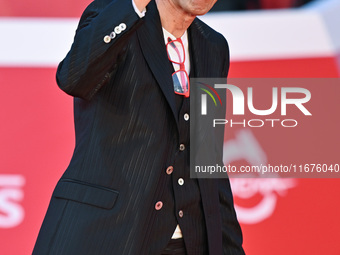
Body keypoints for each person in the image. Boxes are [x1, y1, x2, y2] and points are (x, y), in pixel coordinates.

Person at [33, 0, 244, 254]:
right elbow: (73, 79)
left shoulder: (213, 45)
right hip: (108, 235)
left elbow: (208, 159)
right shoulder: (116, 18)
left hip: (188, 242)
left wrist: (230, 246)